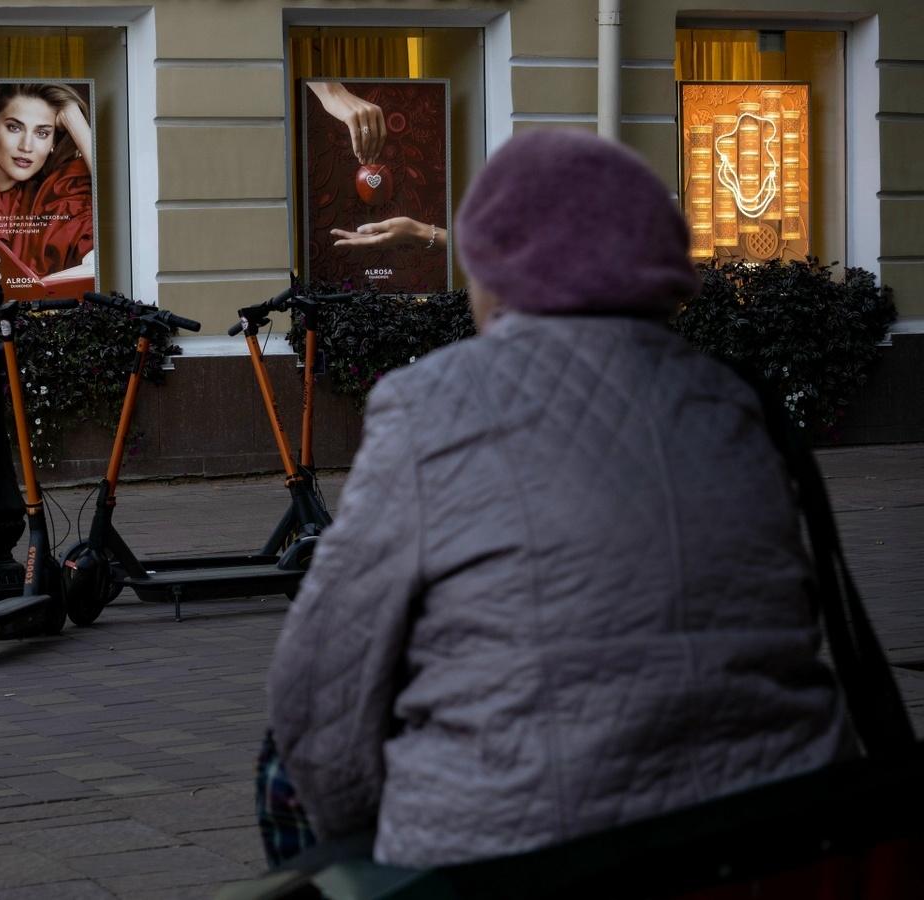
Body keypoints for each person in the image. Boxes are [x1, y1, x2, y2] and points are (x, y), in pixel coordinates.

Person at [265, 128, 854, 869]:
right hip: (782, 842)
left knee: (288, 752)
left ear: (495, 275)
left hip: (521, 863)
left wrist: (373, 841)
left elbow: (321, 692)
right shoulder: (737, 403)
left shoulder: (430, 404)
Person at [0, 82, 95, 294]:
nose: (26, 146)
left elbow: (116, 201)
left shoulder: (55, 197)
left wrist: (72, 116)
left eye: (42, 133)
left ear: (53, 142)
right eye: (14, 127)